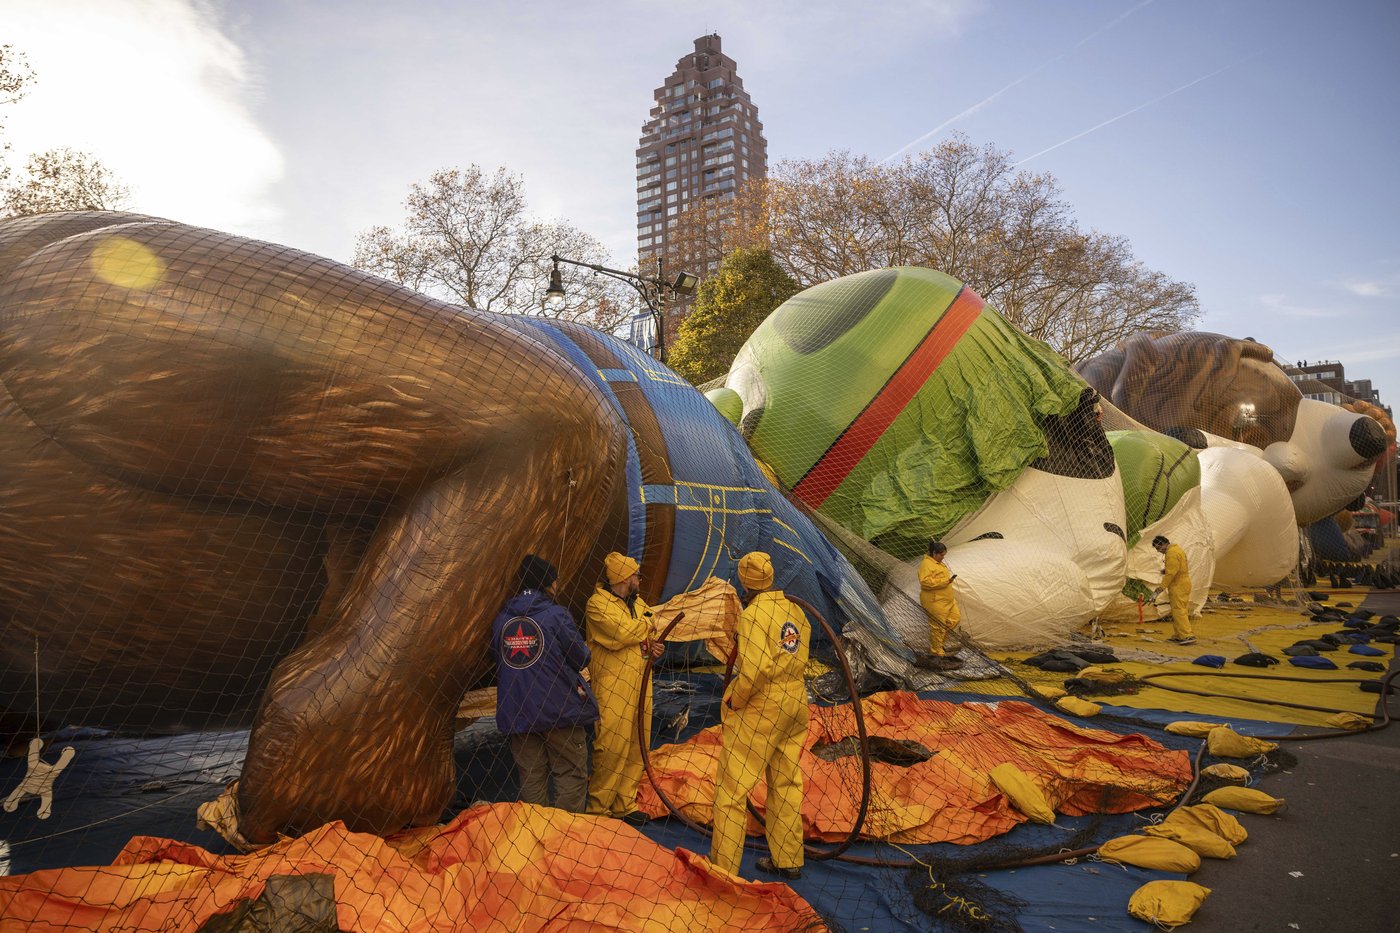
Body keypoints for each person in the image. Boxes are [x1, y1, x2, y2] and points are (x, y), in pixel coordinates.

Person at [710, 551, 810, 881]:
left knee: (732, 789)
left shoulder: (753, 616)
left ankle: (722, 870)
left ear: (744, 582)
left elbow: (753, 673)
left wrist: (735, 701)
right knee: (785, 781)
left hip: (764, 706)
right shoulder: (793, 609)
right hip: (795, 699)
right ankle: (789, 858)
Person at [492, 554, 598, 812]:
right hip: (558, 709)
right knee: (570, 772)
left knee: (531, 778)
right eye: (555, 581)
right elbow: (581, 657)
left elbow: (497, 657)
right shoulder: (555, 614)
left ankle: (535, 838)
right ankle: (565, 838)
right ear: (549, 583)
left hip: (518, 711)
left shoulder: (502, 619)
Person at [585, 551, 664, 825]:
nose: (639, 580)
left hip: (642, 682)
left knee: (636, 744)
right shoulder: (597, 605)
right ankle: (599, 807)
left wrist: (651, 643)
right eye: (635, 575)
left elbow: (647, 629)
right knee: (611, 744)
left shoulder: (636, 602)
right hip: (612, 685)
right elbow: (621, 634)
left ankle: (624, 803)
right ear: (623, 578)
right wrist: (644, 628)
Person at [918, 540, 960, 656]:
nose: (943, 557)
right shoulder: (926, 564)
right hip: (935, 601)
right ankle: (936, 653)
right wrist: (946, 581)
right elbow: (925, 582)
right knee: (938, 627)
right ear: (935, 553)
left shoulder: (939, 563)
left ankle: (938, 644)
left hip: (948, 601)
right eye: (941, 555)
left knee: (954, 619)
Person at [1153, 535, 1195, 645]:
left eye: (1158, 548)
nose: (1159, 551)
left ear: (1163, 544)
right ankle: (1179, 635)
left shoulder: (1171, 553)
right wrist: (1166, 570)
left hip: (1178, 585)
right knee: (1178, 610)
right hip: (1182, 583)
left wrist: (1160, 588)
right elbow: (1176, 568)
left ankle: (1187, 635)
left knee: (1179, 610)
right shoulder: (1176, 549)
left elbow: (1171, 574)